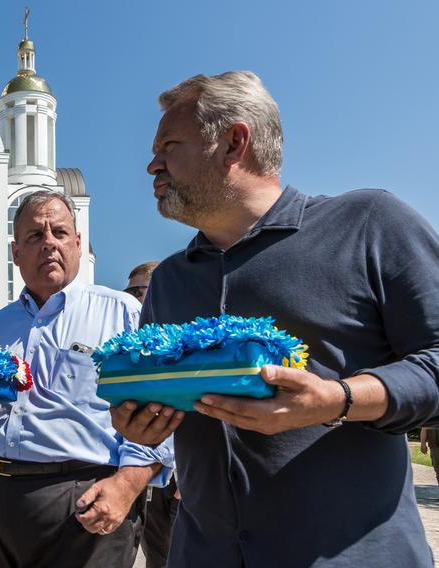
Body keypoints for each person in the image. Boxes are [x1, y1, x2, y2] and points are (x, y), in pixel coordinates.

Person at [110, 70, 439, 566]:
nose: (152, 164)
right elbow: (157, 403)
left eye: (169, 145)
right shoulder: (171, 280)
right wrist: (138, 423)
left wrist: (338, 399)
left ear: (234, 142)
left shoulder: (369, 225)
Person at [0, 190, 175, 568]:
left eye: (59, 232)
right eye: (34, 236)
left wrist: (127, 485)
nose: (48, 243)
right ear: (15, 253)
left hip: (83, 499)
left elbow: (164, 411)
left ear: (78, 244)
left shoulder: (122, 315)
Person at [124, 261, 179, 568]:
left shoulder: (187, 342)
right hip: (150, 475)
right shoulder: (135, 350)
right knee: (157, 557)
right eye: (128, 290)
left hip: (183, 477)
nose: (131, 298)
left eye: (137, 290)